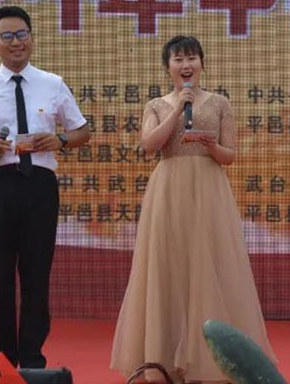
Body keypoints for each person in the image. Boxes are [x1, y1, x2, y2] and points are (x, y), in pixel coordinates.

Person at [111, 36, 274, 383]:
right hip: (169, 191)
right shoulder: (157, 104)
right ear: (167, 67)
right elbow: (149, 144)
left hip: (209, 190)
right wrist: (176, 111)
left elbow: (229, 156)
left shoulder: (219, 103)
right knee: (168, 267)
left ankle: (212, 358)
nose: (186, 66)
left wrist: (212, 144)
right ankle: (164, 358)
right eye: (178, 59)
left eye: (192, 58)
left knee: (209, 265)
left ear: (202, 63)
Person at [0, 6, 91, 368]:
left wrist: (59, 139)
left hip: (39, 186)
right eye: (7, 36)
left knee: (36, 272)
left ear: (32, 39)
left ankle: (31, 357)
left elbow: (82, 131)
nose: (16, 42)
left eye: (22, 34)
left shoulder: (52, 83)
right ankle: (1, 358)